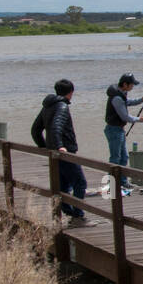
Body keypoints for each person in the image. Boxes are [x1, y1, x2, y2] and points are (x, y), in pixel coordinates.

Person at [45, 79, 94, 228]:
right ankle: (77, 216)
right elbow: (56, 127)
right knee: (80, 183)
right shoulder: (62, 106)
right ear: (70, 93)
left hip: (54, 153)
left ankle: (66, 212)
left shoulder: (47, 106)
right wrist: (60, 146)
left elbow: (35, 129)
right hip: (65, 152)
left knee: (63, 186)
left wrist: (44, 146)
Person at [104, 73, 143, 190]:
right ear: (125, 84)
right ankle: (112, 185)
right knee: (115, 158)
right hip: (114, 130)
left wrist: (142, 99)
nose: (132, 87)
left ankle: (123, 182)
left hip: (119, 130)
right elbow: (125, 117)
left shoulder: (121, 94)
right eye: (131, 85)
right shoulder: (117, 98)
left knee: (124, 157)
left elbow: (129, 102)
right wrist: (139, 119)